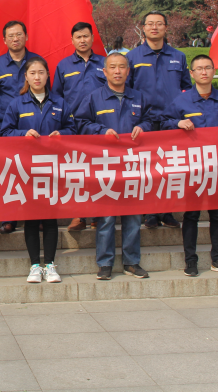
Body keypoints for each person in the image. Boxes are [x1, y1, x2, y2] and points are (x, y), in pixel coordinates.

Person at [163, 54, 218, 277]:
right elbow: (163, 123)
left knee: (217, 214)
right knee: (191, 215)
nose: (204, 72)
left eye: (208, 68)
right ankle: (190, 260)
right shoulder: (181, 101)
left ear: (214, 70)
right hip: (193, 168)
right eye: (199, 69)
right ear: (191, 74)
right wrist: (177, 122)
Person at [75, 52, 151, 280]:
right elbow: (81, 123)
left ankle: (132, 261)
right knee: (106, 217)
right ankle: (105, 263)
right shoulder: (93, 98)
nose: (117, 71)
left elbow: (152, 119)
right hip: (105, 165)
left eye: (122, 67)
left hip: (132, 165)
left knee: (133, 217)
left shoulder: (139, 97)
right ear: (105, 71)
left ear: (128, 71)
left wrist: (144, 127)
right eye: (113, 67)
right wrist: (100, 131)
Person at [0, 57, 75, 283]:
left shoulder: (60, 103)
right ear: (26, 77)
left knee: (50, 218)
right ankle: (34, 265)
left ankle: (50, 265)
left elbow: (73, 129)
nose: (37, 77)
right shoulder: (16, 104)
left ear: (48, 75)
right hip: (27, 169)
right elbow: (4, 132)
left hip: (52, 168)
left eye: (41, 72)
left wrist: (62, 134)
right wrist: (22, 134)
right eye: (32, 73)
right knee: (31, 218)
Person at [126, 11, 192, 229]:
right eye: (150, 24)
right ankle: (149, 212)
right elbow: (127, 90)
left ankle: (167, 211)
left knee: (168, 167)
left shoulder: (178, 56)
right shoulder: (133, 57)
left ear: (166, 27)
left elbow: (187, 88)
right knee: (147, 168)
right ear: (143, 28)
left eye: (159, 24)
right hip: (143, 121)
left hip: (171, 121)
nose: (154, 27)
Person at [0, 20, 42, 234]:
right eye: (10, 36)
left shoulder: (37, 61)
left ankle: (37, 215)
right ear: (4, 40)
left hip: (34, 124)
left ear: (26, 37)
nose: (15, 39)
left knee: (35, 171)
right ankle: (9, 217)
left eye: (19, 34)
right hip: (7, 126)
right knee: (9, 172)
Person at [52, 22, 106, 231]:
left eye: (86, 36)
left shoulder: (104, 63)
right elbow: (56, 97)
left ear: (92, 38)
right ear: (72, 40)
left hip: (100, 125)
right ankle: (78, 215)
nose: (82, 40)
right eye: (78, 37)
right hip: (73, 126)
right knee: (76, 172)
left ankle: (98, 215)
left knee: (99, 171)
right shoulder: (63, 66)